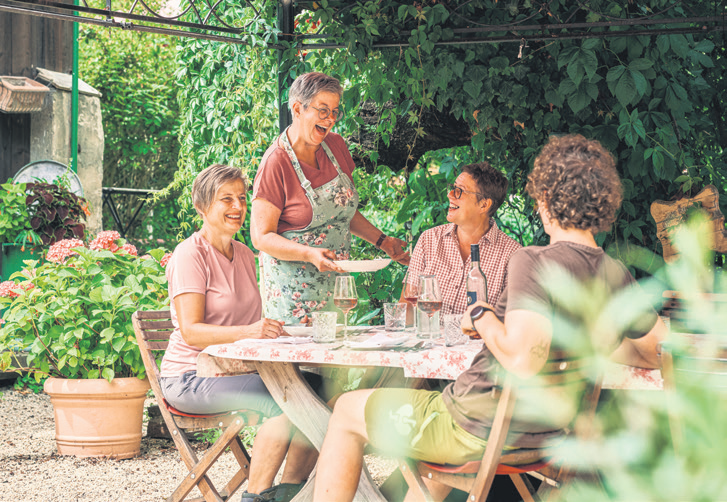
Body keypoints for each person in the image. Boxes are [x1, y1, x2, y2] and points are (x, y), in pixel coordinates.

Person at [313, 134, 668, 502]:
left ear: (545, 199)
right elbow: (656, 351)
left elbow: (524, 358)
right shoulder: (614, 273)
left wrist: (481, 314)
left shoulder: (533, 261)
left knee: (345, 410)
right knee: (432, 453)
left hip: (475, 424)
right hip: (548, 433)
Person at [159, 164, 316, 502]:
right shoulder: (190, 255)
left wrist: (284, 332)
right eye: (226, 199)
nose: (238, 207)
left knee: (318, 388)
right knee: (284, 398)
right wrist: (252, 330)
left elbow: (253, 325)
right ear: (202, 207)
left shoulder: (244, 255)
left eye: (242, 199)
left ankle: (289, 490)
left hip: (233, 370)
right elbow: (191, 332)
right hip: (189, 377)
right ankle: (256, 497)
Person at [251, 72, 409, 325]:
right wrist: (309, 254)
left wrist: (383, 241)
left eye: (335, 111)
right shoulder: (275, 162)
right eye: (323, 111)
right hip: (294, 296)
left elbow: (341, 212)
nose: (331, 119)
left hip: (337, 289)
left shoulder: (336, 145)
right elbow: (261, 237)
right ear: (297, 109)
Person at [403, 161, 521, 317]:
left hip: (479, 341)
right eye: (453, 188)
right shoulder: (428, 239)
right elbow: (407, 307)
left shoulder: (513, 255)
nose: (450, 195)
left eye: (460, 191)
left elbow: (514, 320)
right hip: (430, 340)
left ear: (484, 205)